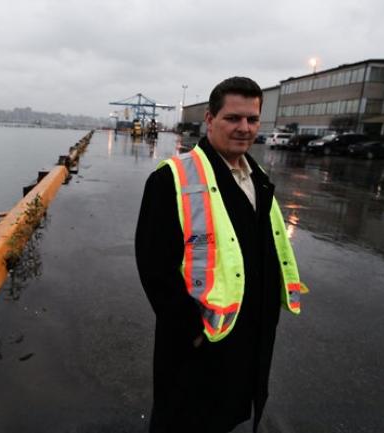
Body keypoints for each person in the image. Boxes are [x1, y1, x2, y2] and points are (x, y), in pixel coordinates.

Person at [135, 77, 304, 433]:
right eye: (233, 118)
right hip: (197, 343)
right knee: (185, 420)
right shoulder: (172, 180)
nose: (245, 128)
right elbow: (154, 268)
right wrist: (189, 330)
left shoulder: (255, 176)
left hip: (247, 336)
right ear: (210, 120)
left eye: (252, 119)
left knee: (226, 415)